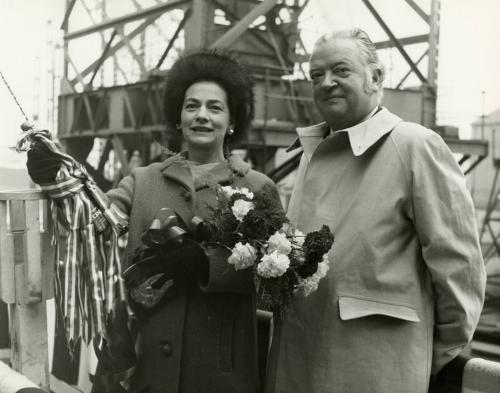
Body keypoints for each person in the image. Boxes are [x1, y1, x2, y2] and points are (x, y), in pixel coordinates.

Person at [26, 49, 282, 393]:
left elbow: (277, 275)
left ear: (232, 120)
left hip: (222, 373)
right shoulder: (142, 180)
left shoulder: (258, 187)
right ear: (178, 118)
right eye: (191, 106)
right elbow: (95, 219)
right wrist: (56, 176)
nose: (201, 115)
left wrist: (209, 265)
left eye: (215, 107)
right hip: (142, 366)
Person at [265, 28, 486, 393]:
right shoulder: (311, 152)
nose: (326, 83)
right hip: (299, 361)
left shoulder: (414, 146)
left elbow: (459, 267)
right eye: (316, 75)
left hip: (374, 370)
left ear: (377, 77)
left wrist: (436, 356)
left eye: (341, 70)